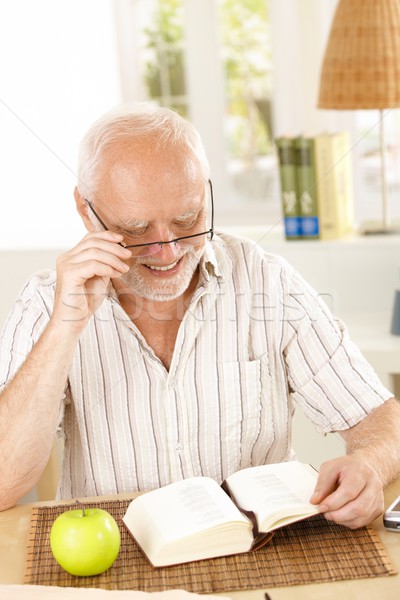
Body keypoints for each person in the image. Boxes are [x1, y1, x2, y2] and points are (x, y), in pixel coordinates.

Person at [0, 103, 399, 528]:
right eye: (136, 230)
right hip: (117, 563)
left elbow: (377, 417)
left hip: (260, 553)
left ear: (206, 192)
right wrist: (64, 328)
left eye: (188, 219)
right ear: (86, 210)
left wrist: (371, 465)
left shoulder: (267, 280)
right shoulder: (46, 303)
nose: (168, 251)